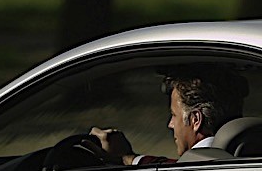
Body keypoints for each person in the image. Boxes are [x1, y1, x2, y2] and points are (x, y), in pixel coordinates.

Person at [91, 67, 248, 165]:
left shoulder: (196, 169)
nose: (170, 124)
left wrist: (122, 156)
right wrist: (128, 157)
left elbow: (170, 168)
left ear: (195, 120)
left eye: (174, 115)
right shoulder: (253, 158)